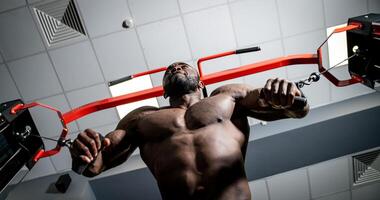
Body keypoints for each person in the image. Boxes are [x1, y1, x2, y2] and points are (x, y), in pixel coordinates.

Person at [70, 62, 309, 199]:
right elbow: (94, 165)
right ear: (164, 92)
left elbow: (294, 109)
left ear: (201, 83)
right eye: (170, 70)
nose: (175, 68)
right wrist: (84, 151)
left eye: (183, 66)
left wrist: (289, 94)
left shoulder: (227, 96)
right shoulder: (142, 117)